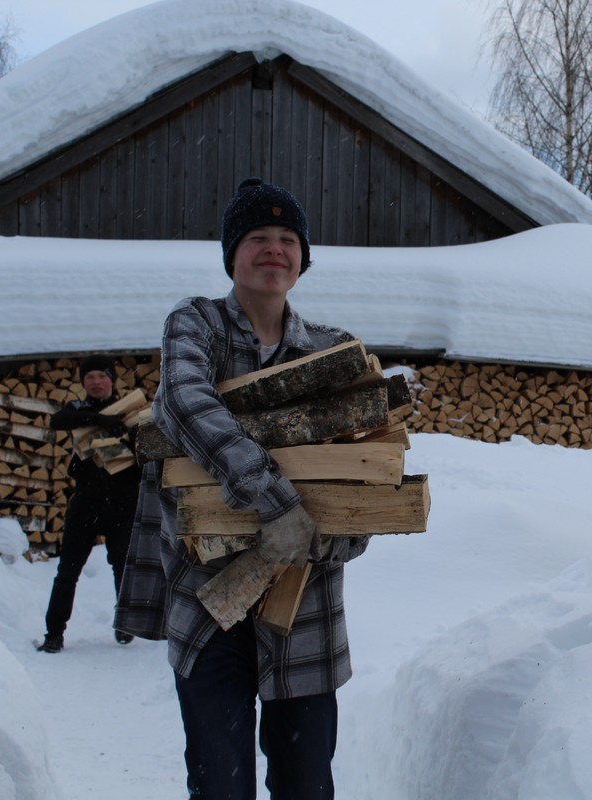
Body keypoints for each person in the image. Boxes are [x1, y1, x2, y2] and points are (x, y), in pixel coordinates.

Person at [116, 178, 369, 800]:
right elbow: (184, 401)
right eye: (258, 237)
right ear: (233, 253)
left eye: (287, 239)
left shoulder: (333, 352)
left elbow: (366, 480)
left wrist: (321, 539)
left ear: (303, 259)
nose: (273, 249)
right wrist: (277, 501)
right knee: (219, 783)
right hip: (207, 601)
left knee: (305, 786)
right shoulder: (195, 324)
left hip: (305, 609)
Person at [36, 355, 140, 653]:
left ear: (112, 379)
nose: (96, 382)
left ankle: (125, 624)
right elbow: (58, 421)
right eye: (90, 378)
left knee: (123, 568)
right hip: (87, 503)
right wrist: (97, 419)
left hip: (123, 503)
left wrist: (127, 437)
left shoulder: (130, 409)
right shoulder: (77, 409)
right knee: (68, 571)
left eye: (101, 376)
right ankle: (54, 634)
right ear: (83, 383)